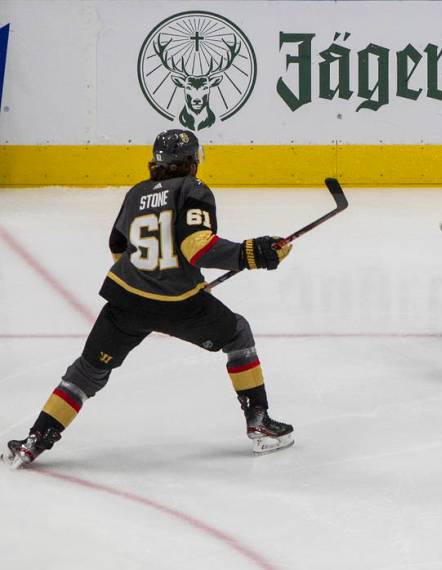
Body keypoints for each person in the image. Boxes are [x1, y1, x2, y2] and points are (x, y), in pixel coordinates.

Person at [5, 129, 294, 468]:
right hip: (180, 305)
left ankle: (35, 440)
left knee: (86, 372)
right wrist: (251, 253)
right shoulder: (193, 189)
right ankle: (259, 424)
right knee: (237, 334)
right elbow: (196, 247)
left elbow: (117, 245)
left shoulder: (136, 193)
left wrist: (152, 279)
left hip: (126, 301)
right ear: (193, 160)